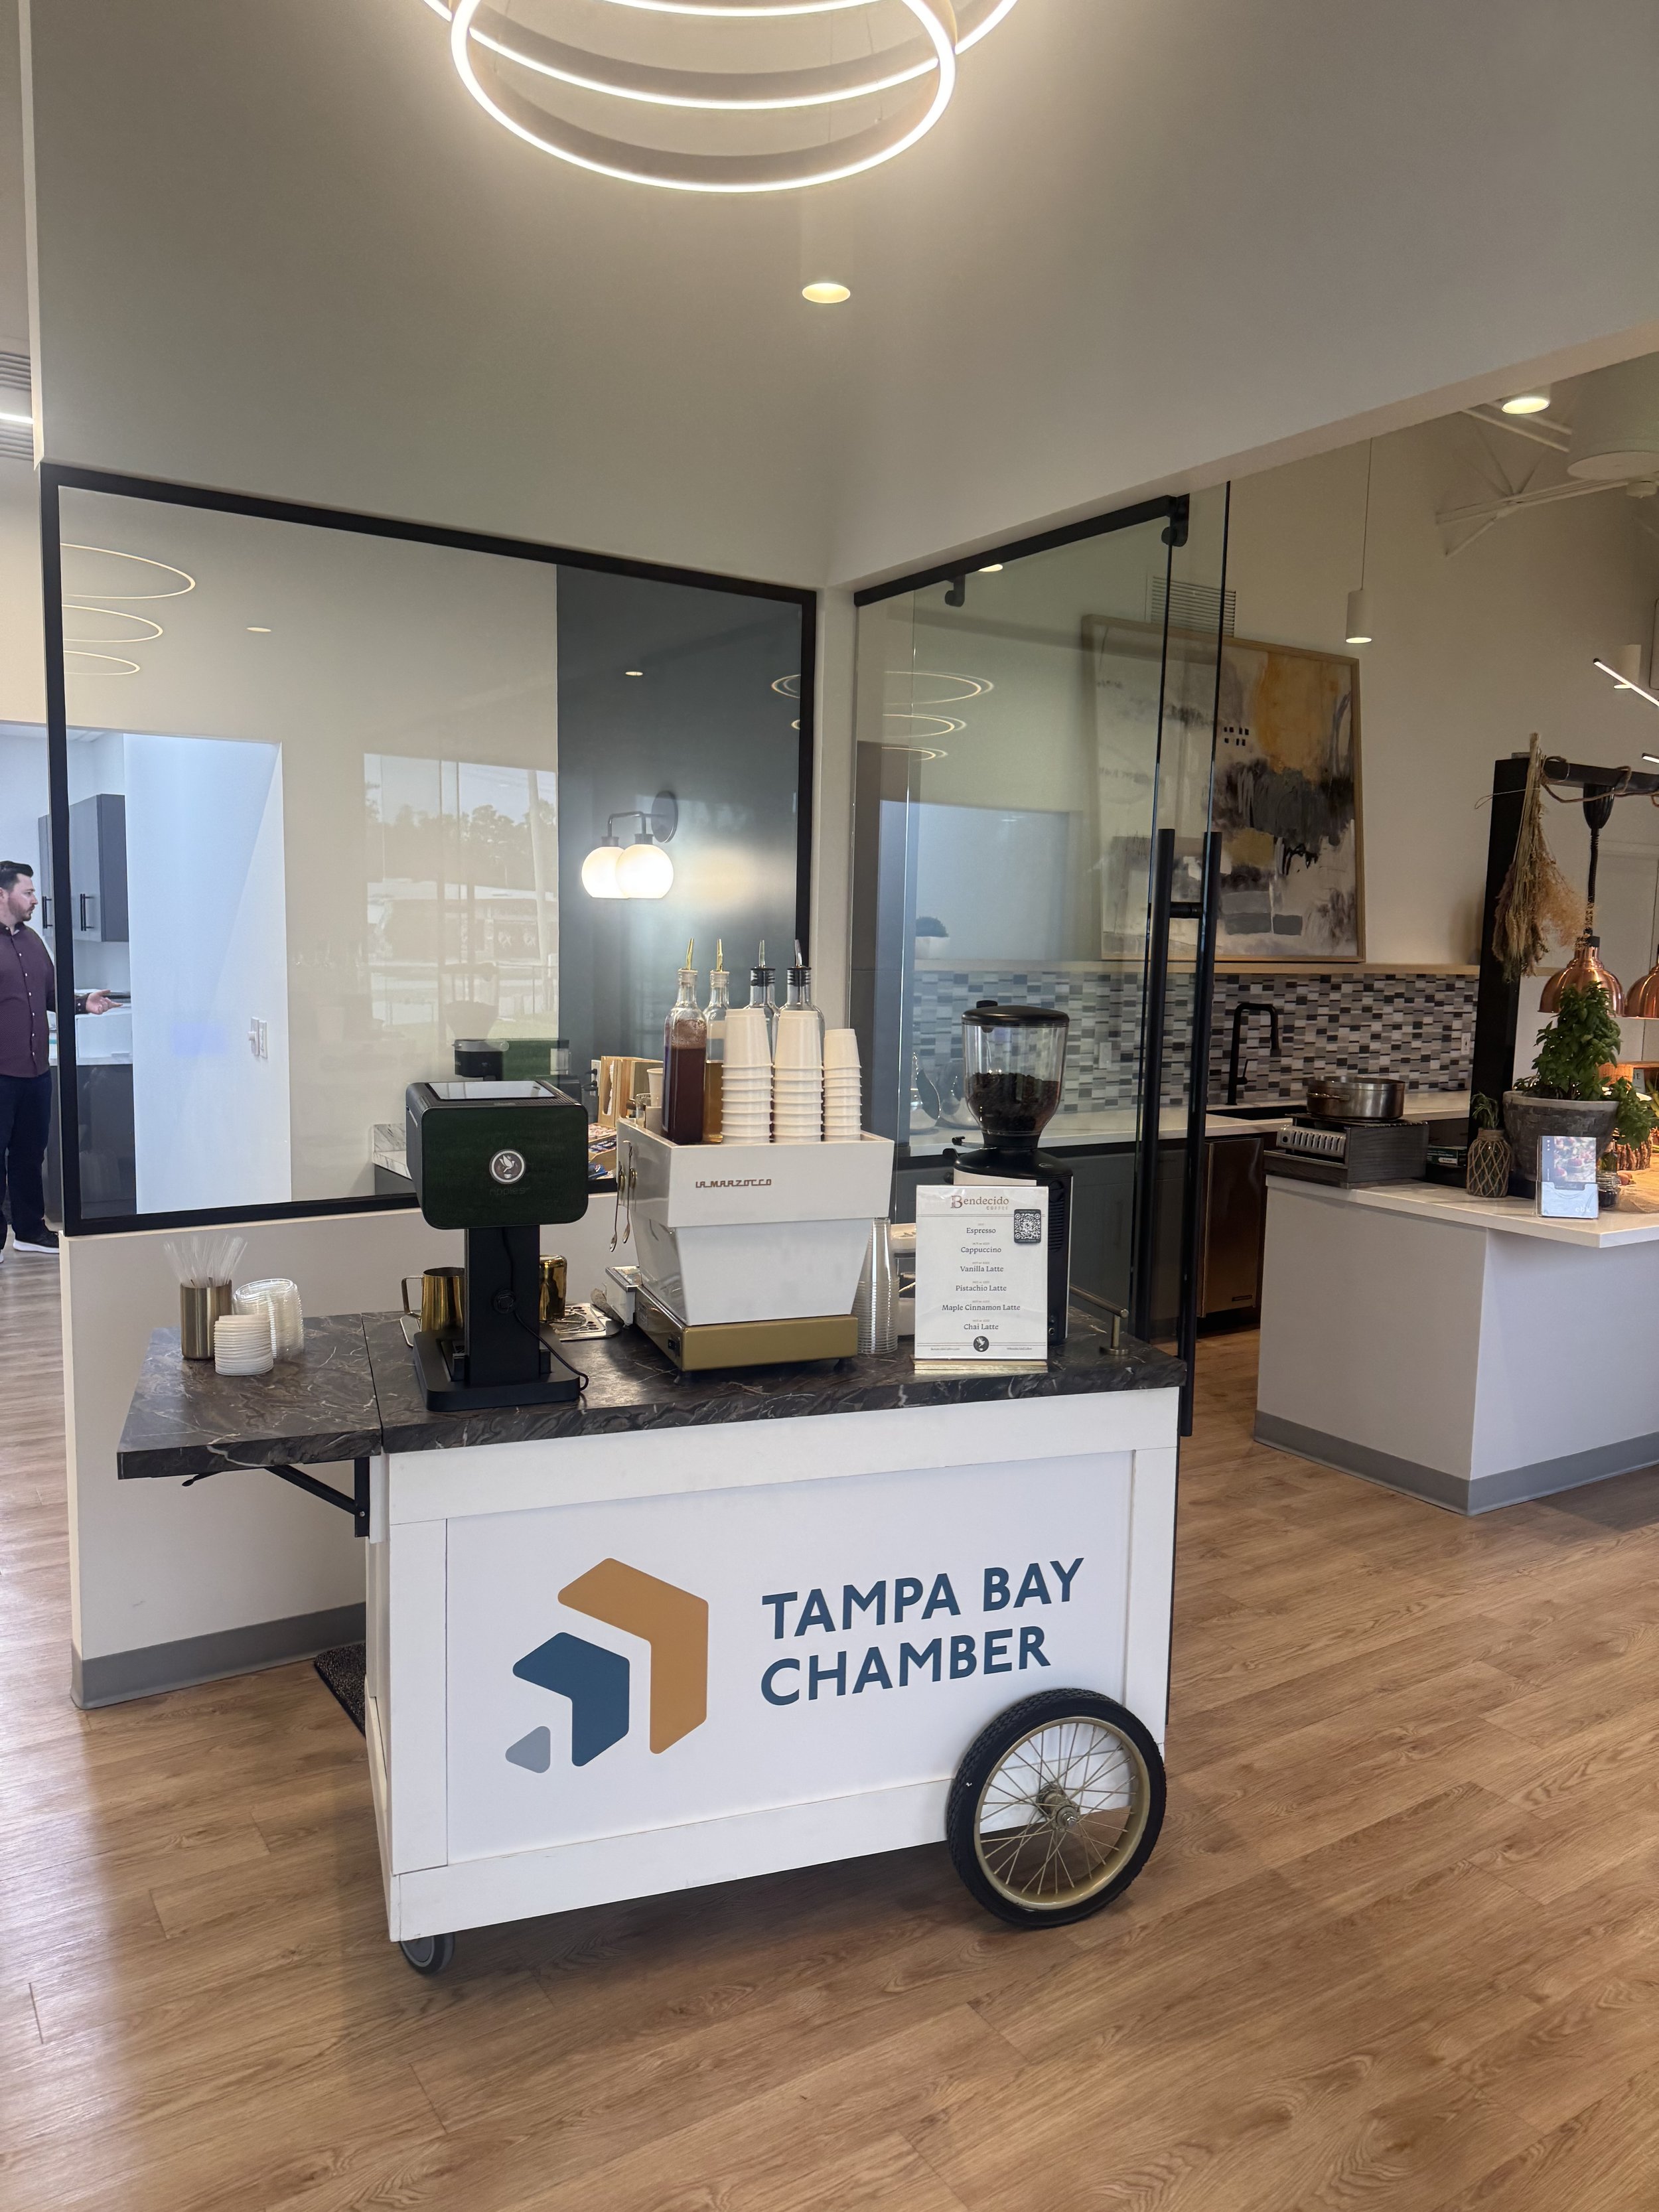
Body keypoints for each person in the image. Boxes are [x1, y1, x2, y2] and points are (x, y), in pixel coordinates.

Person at [0, 860, 113, 1258]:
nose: (34, 899)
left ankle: (31, 1231)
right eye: (27, 892)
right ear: (3, 895)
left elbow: (50, 997)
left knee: (31, 1155)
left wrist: (83, 1002)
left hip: (35, 1071)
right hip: (0, 1073)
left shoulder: (32, 942)